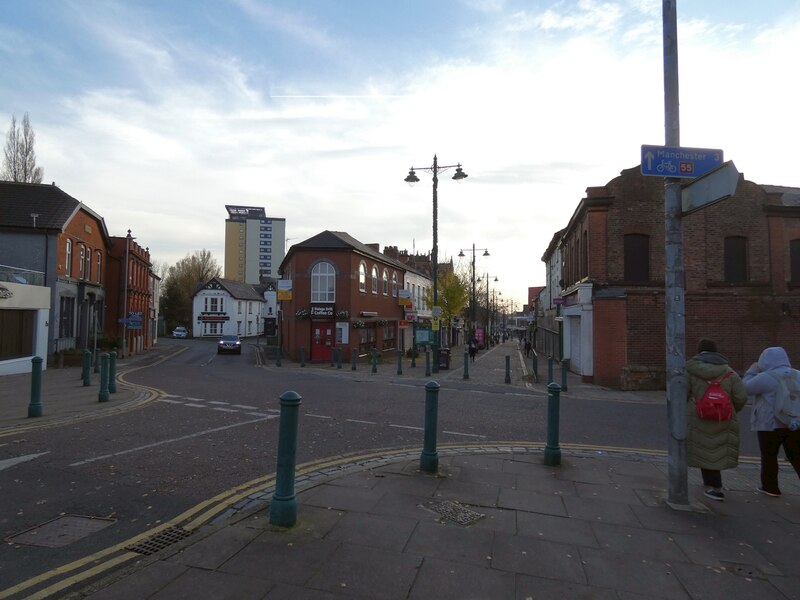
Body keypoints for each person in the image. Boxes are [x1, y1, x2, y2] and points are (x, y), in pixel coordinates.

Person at [685, 338, 748, 501]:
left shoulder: (691, 370)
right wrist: (730, 410)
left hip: (699, 417)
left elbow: (681, 394)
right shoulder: (730, 373)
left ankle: (714, 487)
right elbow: (741, 397)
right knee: (716, 448)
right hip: (723, 417)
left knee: (704, 448)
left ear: (699, 351)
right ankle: (713, 485)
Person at [742, 346, 800, 497]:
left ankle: (770, 487)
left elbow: (745, 387)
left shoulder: (767, 377)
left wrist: (751, 371)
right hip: (794, 423)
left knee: (769, 455)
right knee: (796, 455)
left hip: (770, 424)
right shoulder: (797, 375)